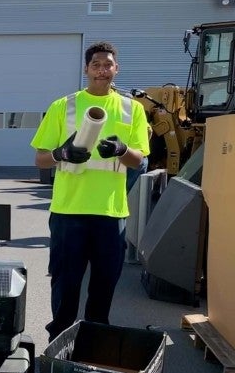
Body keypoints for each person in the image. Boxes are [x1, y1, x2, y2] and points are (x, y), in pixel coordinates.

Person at [31, 41, 150, 342]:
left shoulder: (131, 109)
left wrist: (122, 149)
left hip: (110, 213)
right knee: (65, 283)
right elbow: (41, 158)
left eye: (108, 64)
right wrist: (62, 153)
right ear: (86, 69)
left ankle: (94, 345)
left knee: (104, 285)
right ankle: (58, 342)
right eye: (96, 64)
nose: (102, 70)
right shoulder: (64, 106)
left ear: (116, 69)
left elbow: (140, 160)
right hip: (69, 212)